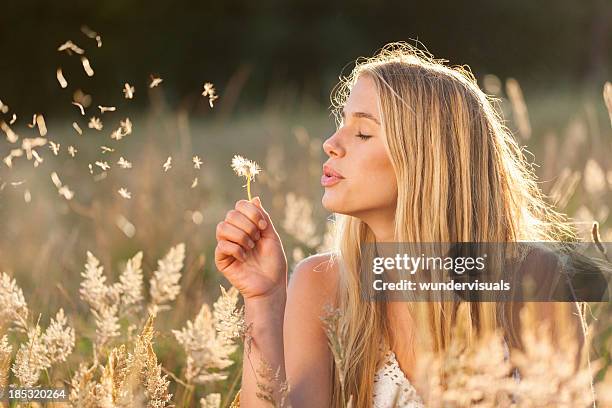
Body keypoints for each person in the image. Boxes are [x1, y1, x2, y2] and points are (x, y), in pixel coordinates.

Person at [214, 42, 590, 407]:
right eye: (341, 126)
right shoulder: (323, 284)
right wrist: (263, 301)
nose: (330, 144)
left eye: (362, 133)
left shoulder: (534, 279)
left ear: (426, 160)